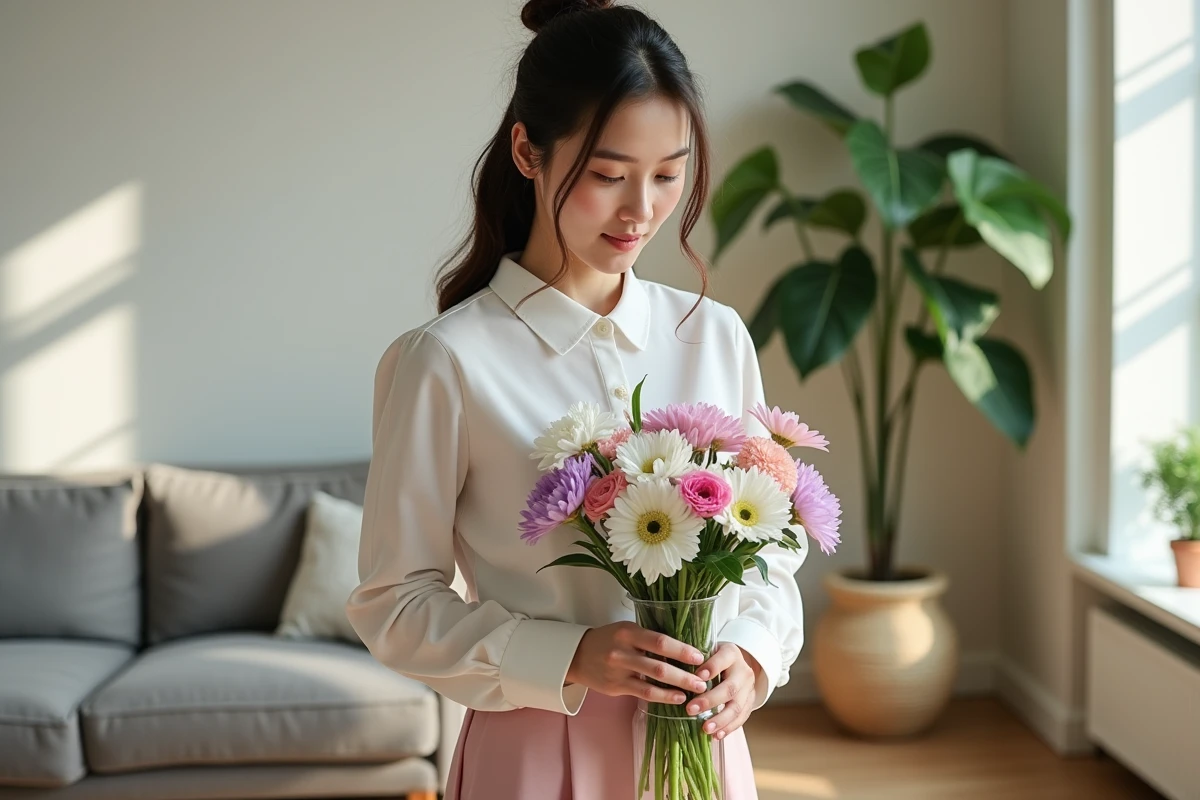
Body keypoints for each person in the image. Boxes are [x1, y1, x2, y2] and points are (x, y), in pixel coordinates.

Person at [344, 1, 807, 797]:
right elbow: (395, 604)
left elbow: (771, 553)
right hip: (533, 754)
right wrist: (567, 655)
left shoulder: (716, 336)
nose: (642, 211)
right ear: (528, 149)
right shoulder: (445, 362)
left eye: (669, 174)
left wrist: (755, 656)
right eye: (607, 175)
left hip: (703, 751)